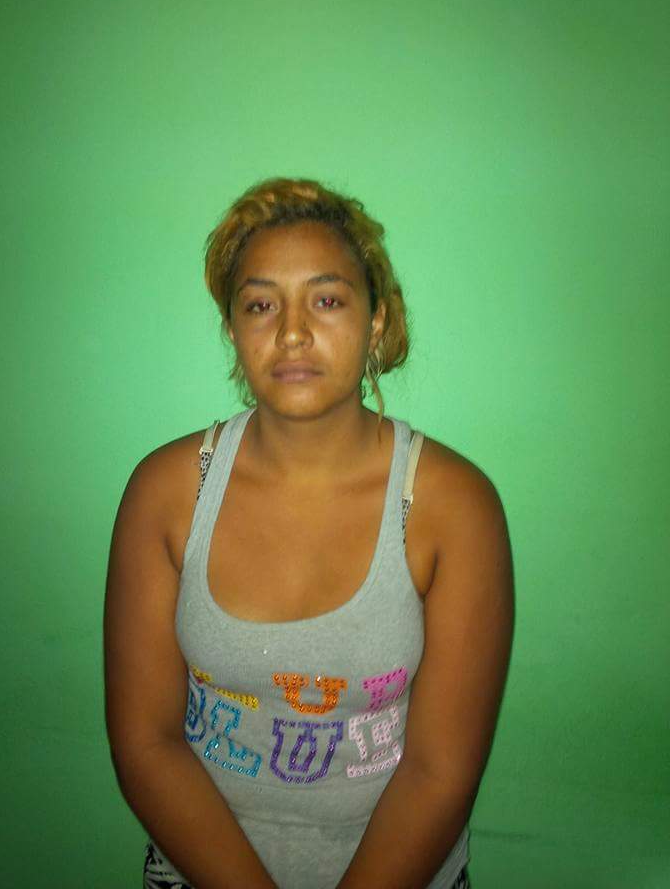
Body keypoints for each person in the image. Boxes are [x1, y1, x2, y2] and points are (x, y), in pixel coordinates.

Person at [103, 177, 514, 889]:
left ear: (376, 321)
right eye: (261, 305)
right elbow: (146, 744)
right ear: (233, 331)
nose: (291, 333)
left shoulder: (452, 506)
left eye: (326, 300)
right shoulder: (166, 493)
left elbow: (439, 772)